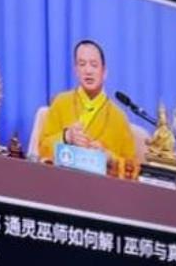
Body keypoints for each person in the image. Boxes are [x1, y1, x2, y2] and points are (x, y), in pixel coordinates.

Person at [38, 39, 139, 172]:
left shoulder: (119, 117)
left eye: (94, 65)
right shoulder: (61, 102)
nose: (88, 71)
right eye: (82, 64)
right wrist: (66, 136)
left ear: (104, 72)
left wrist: (109, 157)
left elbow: (132, 168)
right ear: (76, 70)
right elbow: (42, 149)